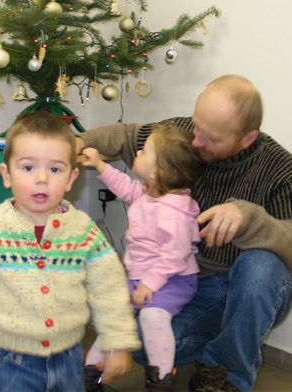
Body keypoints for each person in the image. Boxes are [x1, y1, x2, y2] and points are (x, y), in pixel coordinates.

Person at [77, 75, 292, 392]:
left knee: (261, 265)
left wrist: (249, 219)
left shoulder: (281, 170)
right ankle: (212, 345)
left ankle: (225, 374)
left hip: (241, 282)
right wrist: (75, 143)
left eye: (211, 137)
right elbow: (126, 136)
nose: (197, 141)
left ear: (247, 138)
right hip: (185, 281)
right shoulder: (184, 135)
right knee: (143, 342)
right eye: (196, 124)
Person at [0, 111, 140, 392]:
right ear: (6, 175)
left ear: (71, 179)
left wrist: (117, 342)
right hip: (10, 360)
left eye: (55, 169)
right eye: (28, 167)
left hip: (68, 357)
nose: (42, 178)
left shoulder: (83, 231)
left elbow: (109, 286)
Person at [81, 124, 205, 391]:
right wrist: (100, 165)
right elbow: (126, 188)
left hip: (173, 279)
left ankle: (161, 379)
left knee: (152, 317)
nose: (137, 152)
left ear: (156, 172)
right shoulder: (150, 195)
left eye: (145, 151)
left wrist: (151, 283)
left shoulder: (174, 214)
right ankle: (91, 373)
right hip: (142, 278)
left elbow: (176, 256)